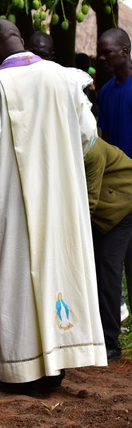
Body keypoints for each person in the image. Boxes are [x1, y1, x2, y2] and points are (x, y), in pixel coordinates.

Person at [0, 19, 107, 396]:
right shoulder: (63, 78)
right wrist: (60, 163)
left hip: (16, 198)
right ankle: (56, 367)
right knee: (62, 270)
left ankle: (22, 370)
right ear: (22, 42)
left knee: (18, 278)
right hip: (63, 196)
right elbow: (88, 134)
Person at [84, 138, 132, 362]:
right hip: (110, 211)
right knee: (102, 268)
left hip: (124, 207)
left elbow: (89, 202)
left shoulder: (91, 150)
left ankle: (110, 343)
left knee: (107, 268)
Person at [97, 28, 132, 323]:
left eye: (107, 52)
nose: (101, 57)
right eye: (100, 51)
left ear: (125, 51)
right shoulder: (106, 91)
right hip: (119, 192)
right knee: (109, 262)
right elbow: (105, 140)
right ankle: (110, 336)